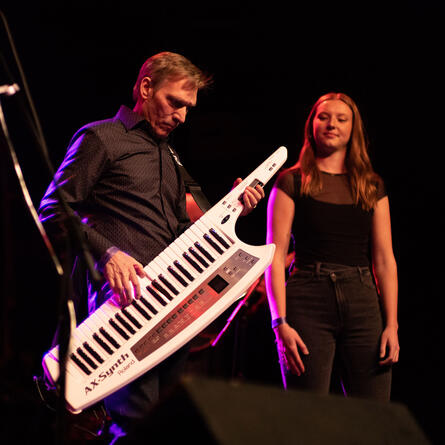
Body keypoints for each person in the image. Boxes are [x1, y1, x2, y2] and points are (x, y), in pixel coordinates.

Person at [38, 51, 264, 442]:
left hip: (170, 304)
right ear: (145, 88)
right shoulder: (101, 137)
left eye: (188, 108)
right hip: (121, 305)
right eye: (175, 102)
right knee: (134, 422)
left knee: (161, 424)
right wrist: (109, 253)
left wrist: (233, 209)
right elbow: (53, 209)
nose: (181, 116)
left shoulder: (170, 157)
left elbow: (183, 227)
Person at [264, 92, 399, 401]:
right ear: (312, 124)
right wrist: (279, 323)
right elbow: (274, 256)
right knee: (307, 416)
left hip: (363, 300)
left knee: (372, 417)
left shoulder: (371, 185)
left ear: (354, 128)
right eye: (323, 117)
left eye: (341, 118)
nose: (332, 124)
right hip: (308, 298)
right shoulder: (292, 181)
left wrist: (392, 325)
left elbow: (384, 260)